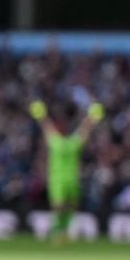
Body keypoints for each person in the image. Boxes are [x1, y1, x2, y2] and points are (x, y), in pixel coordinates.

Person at [28, 98, 103, 242]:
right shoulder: (64, 143)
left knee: (66, 206)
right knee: (63, 206)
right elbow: (82, 130)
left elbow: (48, 128)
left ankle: (62, 232)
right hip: (63, 180)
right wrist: (91, 118)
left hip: (65, 179)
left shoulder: (62, 143)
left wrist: (41, 116)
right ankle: (59, 231)